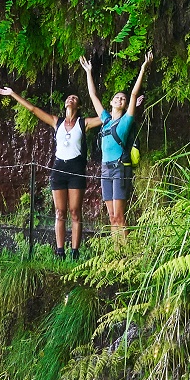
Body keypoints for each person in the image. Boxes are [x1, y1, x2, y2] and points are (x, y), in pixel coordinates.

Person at [0, 79, 91, 255]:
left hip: (76, 169)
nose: (71, 99)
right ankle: (60, 250)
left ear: (78, 105)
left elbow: (105, 118)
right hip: (58, 169)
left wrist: (128, 107)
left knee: (75, 212)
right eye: (69, 97)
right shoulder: (57, 122)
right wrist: (12, 94)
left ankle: (75, 251)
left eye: (74, 98)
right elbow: (33, 109)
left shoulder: (82, 123)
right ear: (65, 103)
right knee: (59, 211)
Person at [80, 47, 152, 239]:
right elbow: (93, 96)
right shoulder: (104, 120)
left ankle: (126, 254)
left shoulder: (125, 121)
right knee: (111, 216)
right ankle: (115, 252)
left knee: (120, 216)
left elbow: (135, 94)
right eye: (117, 97)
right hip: (105, 169)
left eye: (123, 99)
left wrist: (144, 67)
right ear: (111, 102)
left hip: (120, 169)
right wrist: (89, 72)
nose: (120, 99)